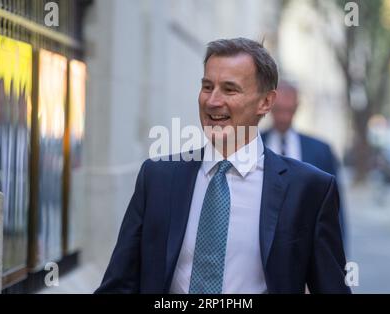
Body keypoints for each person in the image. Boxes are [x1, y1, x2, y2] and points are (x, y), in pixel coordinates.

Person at [96, 38, 350, 294]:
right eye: (207, 87)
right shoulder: (157, 178)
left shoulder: (309, 189)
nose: (213, 101)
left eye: (229, 90)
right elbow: (120, 284)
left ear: (265, 102)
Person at [261, 82, 347, 242]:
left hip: (306, 239)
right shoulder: (252, 144)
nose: (283, 117)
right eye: (279, 110)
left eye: (289, 110)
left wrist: (340, 250)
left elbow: (334, 204)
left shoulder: (321, 150)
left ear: (297, 108)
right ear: (269, 106)